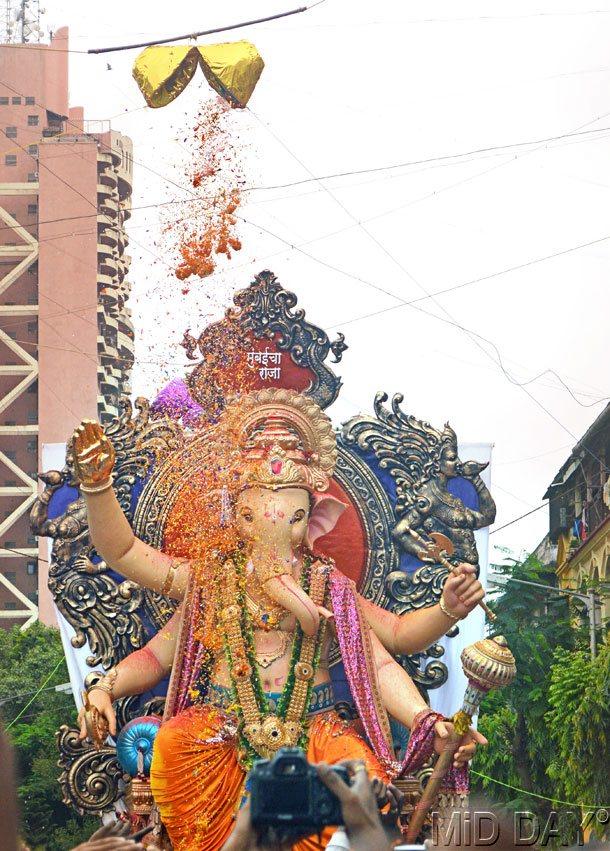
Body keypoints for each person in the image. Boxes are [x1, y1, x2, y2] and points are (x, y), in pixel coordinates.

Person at [73, 389, 487, 850]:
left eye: (294, 518)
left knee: (367, 786)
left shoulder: (329, 585)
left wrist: (443, 632)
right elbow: (131, 575)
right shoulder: (212, 578)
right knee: (171, 747)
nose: (276, 532)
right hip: (223, 728)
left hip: (318, 730)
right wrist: (97, 487)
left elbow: (393, 647)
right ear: (239, 518)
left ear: (315, 520)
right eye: (257, 517)